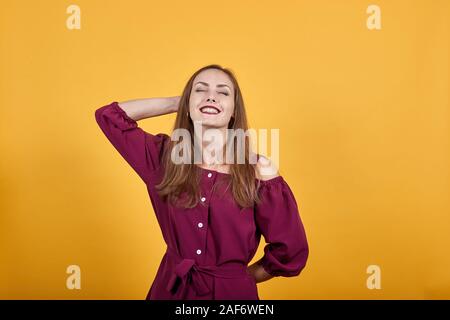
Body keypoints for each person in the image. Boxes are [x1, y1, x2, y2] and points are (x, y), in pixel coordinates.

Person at [94, 64, 309, 300]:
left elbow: (291, 251)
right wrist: (180, 102)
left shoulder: (259, 171)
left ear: (234, 110)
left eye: (223, 92)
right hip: (170, 291)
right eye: (200, 90)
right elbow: (109, 116)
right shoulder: (163, 158)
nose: (211, 96)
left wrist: (239, 279)